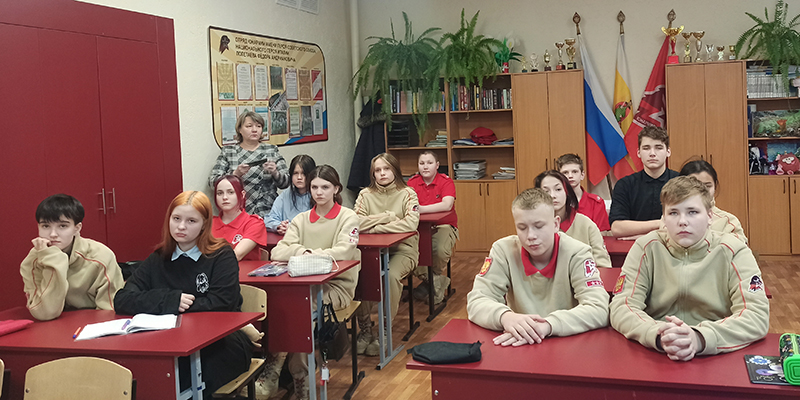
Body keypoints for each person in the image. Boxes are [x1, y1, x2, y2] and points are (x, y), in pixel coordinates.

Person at [609, 176, 769, 361]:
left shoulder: (734, 250)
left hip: (715, 352)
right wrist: (658, 334)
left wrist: (699, 337)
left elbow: (756, 315)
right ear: (663, 218)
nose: (682, 221)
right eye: (673, 213)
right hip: (656, 351)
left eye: (692, 212)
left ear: (710, 216)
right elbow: (622, 305)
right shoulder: (646, 247)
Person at [114, 191, 251, 397]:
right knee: (146, 373)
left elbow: (223, 303)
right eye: (176, 218)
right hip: (167, 341)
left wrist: (176, 305)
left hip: (220, 341)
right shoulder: (158, 258)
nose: (181, 226)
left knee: (187, 375)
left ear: (204, 224)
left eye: (191, 221)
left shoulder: (221, 255)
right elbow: (122, 299)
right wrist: (170, 300)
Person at [466, 188, 609, 346]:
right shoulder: (503, 250)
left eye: (539, 226)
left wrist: (548, 325)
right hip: (519, 343)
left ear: (556, 224)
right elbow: (477, 300)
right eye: (522, 228)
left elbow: (599, 308)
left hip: (566, 343)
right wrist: (505, 316)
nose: (531, 236)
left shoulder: (578, 253)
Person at [270, 165, 361, 400]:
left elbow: (344, 252)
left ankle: (291, 372)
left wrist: (304, 254)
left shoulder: (348, 217)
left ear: (336, 189)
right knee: (284, 306)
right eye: (314, 187)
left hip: (337, 286)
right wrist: (305, 251)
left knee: (300, 309)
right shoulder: (301, 219)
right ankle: (291, 372)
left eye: (325, 187)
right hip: (304, 286)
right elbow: (277, 252)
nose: (319, 192)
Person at [353, 153, 420, 356]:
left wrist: (374, 228)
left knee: (390, 276)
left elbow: (410, 224)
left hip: (403, 250)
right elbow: (355, 223)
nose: (382, 173)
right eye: (377, 170)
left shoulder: (408, 193)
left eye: (386, 169)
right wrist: (388, 217)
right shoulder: (365, 194)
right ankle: (365, 329)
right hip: (372, 251)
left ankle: (384, 329)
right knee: (360, 275)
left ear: (395, 170)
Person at [20, 194, 124, 321]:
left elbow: (109, 310)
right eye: (45, 226)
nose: (53, 234)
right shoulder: (32, 260)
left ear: (77, 228)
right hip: (54, 324)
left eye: (62, 226)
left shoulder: (101, 256)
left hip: (94, 323)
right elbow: (44, 313)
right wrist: (52, 258)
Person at [208, 111, 290, 217]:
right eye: (249, 126)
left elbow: (286, 182)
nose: (254, 130)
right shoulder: (229, 151)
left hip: (268, 209)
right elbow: (213, 182)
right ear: (239, 129)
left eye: (258, 126)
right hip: (238, 210)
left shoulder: (271, 150)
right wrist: (235, 174)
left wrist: (275, 173)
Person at [609, 126, 679, 238]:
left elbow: (686, 224)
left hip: (673, 245)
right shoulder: (625, 185)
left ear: (668, 152)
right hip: (634, 247)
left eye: (658, 148)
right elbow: (617, 228)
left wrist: (638, 234)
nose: (652, 153)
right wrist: (661, 223)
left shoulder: (681, 182)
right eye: (646, 148)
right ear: (638, 153)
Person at [407, 151, 457, 305]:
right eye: (422, 163)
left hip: (443, 226)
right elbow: (407, 205)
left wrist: (421, 209)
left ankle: (429, 283)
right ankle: (436, 281)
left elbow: (447, 205)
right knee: (408, 252)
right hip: (418, 227)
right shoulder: (412, 183)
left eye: (429, 163)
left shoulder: (446, 181)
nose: (425, 167)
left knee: (440, 250)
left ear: (437, 165)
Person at [534, 170, 611, 269]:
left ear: (567, 192)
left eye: (558, 189)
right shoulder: (534, 227)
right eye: (546, 191)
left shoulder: (586, 224)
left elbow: (603, 266)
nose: (553, 195)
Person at [679, 159, 748, 244]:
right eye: (694, 186)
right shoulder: (670, 218)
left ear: (715, 186)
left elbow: (739, 248)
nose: (701, 191)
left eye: (707, 186)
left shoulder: (727, 221)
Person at [212, 175, 268, 261]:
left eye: (230, 192)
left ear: (242, 195)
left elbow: (236, 255)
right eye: (220, 193)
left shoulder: (255, 223)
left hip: (242, 269)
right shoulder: (208, 223)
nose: (224, 197)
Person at [556, 153, 610, 231]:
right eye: (565, 173)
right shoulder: (555, 202)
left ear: (582, 175)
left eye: (574, 172)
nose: (570, 176)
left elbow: (602, 233)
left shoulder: (595, 203)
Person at [264, 154, 316, 234]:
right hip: (286, 238)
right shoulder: (285, 195)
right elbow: (269, 219)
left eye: (303, 173)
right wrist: (279, 226)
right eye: (295, 173)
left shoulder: (318, 195)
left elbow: (319, 224)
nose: (299, 177)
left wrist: (292, 227)